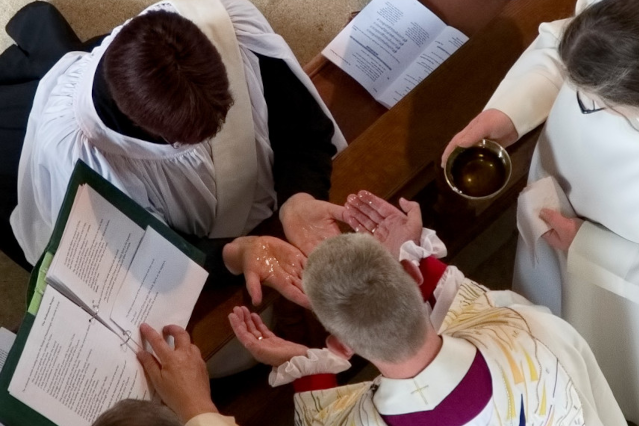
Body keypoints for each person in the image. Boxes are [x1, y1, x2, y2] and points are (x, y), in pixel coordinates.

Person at [0, 0, 347, 307]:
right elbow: (149, 259)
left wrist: (299, 197)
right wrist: (234, 254)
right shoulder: (81, 158)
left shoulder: (227, 25)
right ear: (146, 130)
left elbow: (301, 127)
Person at [225, 192, 625, 426]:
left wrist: (304, 363)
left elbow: (324, 418)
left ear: (341, 345)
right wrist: (418, 254)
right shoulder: (530, 331)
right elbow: (476, 307)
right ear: (412, 277)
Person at [440, 0, 639, 419]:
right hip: (559, 190)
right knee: (545, 297)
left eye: (600, 104)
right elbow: (565, 42)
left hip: (620, 276)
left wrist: (588, 247)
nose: (587, 105)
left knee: (605, 346)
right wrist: (509, 111)